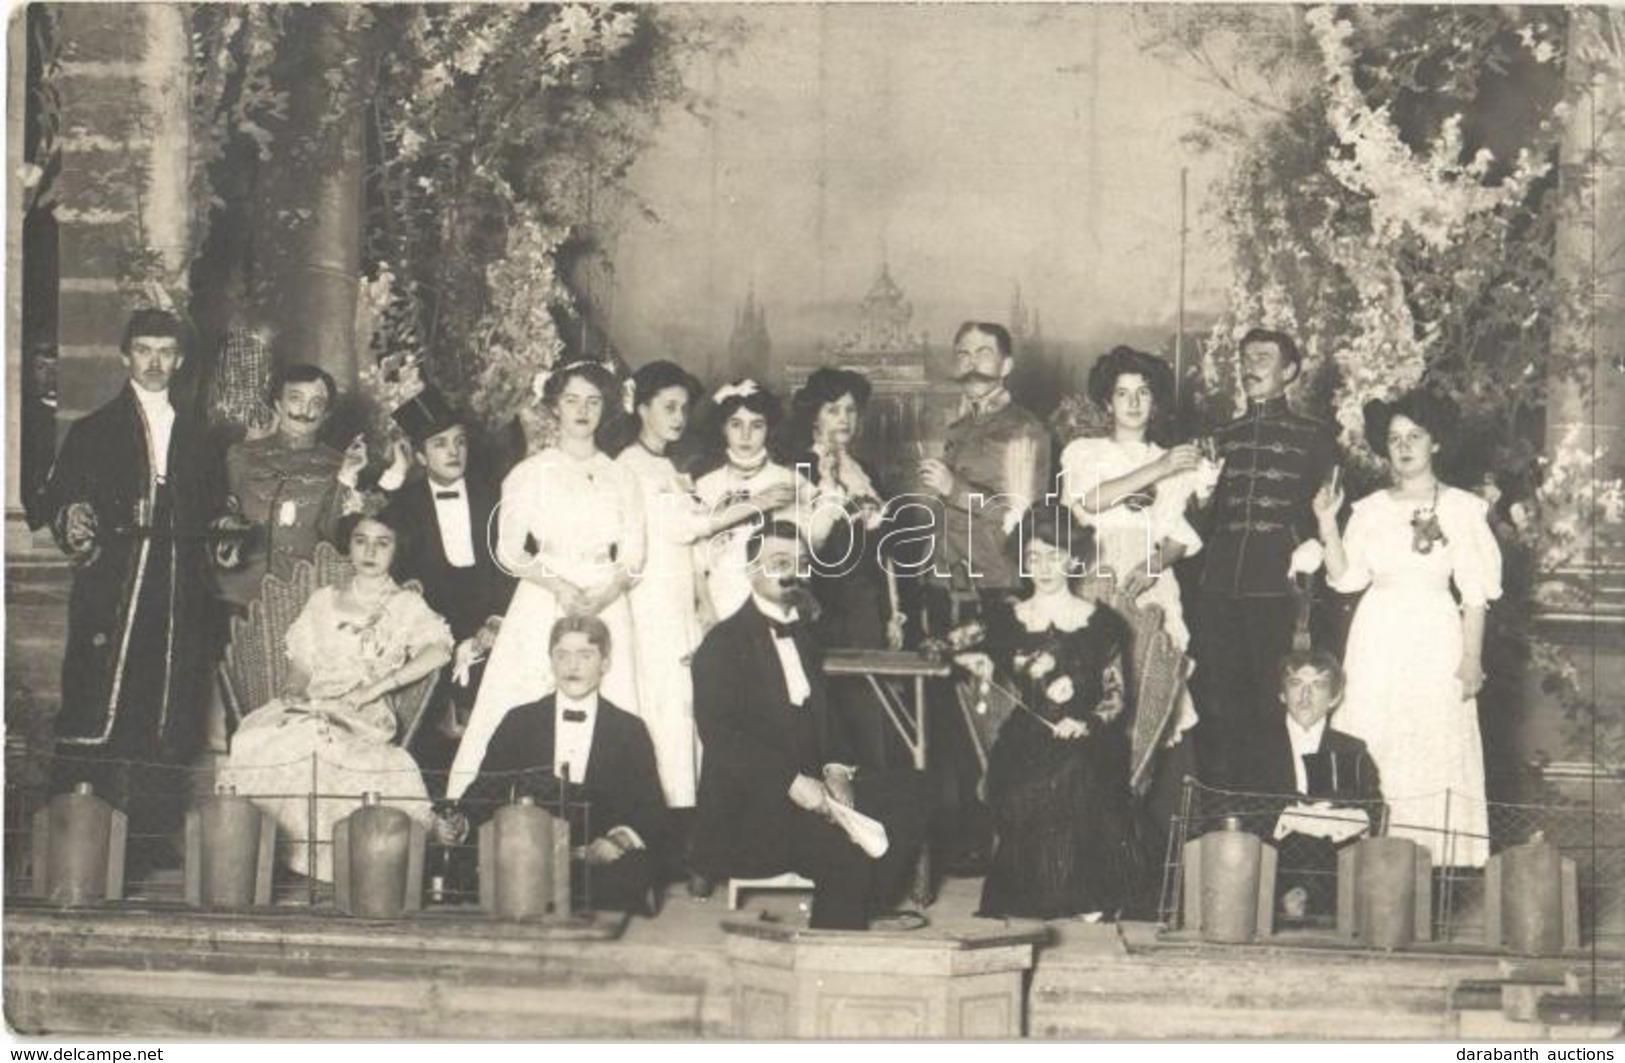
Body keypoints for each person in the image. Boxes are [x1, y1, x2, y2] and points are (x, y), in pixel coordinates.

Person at [30, 309, 228, 863]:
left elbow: (217, 513)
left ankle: (146, 842)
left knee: (165, 706)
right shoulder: (93, 430)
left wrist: (224, 532)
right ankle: (75, 841)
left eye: (166, 351)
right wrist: (76, 519)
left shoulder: (200, 438)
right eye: (144, 349)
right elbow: (62, 499)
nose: (156, 362)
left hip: (177, 592)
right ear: (125, 356)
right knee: (95, 699)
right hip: (111, 590)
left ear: (181, 360)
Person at [689, 521, 930, 930]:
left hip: (816, 792)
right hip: (755, 809)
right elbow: (722, 738)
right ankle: (835, 956)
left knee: (919, 791)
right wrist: (792, 782)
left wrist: (837, 769)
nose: (794, 573)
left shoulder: (804, 635)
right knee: (846, 857)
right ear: (751, 572)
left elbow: (829, 720)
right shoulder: (722, 644)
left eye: (802, 564)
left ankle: (864, 902)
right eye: (780, 562)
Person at [1313, 390, 1500, 868]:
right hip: (1377, 635)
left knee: (1431, 741)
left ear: (1435, 443)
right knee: (1376, 738)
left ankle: (1435, 865)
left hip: (1436, 635)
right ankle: (1370, 864)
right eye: (1394, 438)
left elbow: (1475, 593)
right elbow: (1346, 578)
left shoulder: (1462, 508)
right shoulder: (1370, 508)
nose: (1404, 446)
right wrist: (1327, 523)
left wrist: (1472, 660)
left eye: (1414, 436)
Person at [446, 360, 645, 800]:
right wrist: (559, 587)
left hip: (604, 598)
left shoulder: (621, 475)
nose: (582, 410)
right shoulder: (530, 473)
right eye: (572, 399)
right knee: (526, 691)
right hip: (545, 593)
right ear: (555, 406)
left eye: (593, 402)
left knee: (610, 695)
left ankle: (607, 811)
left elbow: (633, 556)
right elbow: (509, 551)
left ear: (605, 409)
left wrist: (606, 593)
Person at [220, 510, 452, 881]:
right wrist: (294, 687)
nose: (370, 551)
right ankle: (280, 854)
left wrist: (381, 686)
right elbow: (303, 661)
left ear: (397, 550)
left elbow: (438, 649)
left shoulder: (406, 605)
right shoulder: (323, 599)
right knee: (257, 738)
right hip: (312, 703)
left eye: (382, 542)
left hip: (363, 711)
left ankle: (334, 863)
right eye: (361, 540)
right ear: (350, 545)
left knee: (318, 737)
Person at [952, 504, 1136, 920]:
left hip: (1090, 735)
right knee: (1029, 780)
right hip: (1024, 737)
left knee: (1075, 769)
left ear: (1073, 559)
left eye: (1055, 556)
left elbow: (1116, 695)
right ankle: (1048, 897)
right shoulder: (1005, 617)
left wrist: (1085, 722)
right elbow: (939, 646)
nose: (1045, 567)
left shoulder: (1103, 623)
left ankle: (1081, 895)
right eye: (1034, 557)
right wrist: (968, 661)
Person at [616, 362, 780, 833]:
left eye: (684, 408)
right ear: (640, 408)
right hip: (650, 602)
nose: (678, 417)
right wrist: (755, 505)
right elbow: (682, 527)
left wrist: (704, 604)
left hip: (678, 600)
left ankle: (690, 827)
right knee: (663, 708)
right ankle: (658, 827)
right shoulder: (630, 466)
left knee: (689, 710)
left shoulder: (667, 466)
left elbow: (690, 548)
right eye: (668, 407)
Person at [915, 321, 1052, 873]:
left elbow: (1022, 521)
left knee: (998, 727)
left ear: (1008, 364)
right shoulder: (955, 429)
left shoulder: (1024, 431)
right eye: (963, 351)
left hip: (996, 593)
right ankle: (965, 849)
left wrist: (955, 490)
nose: (972, 362)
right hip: (943, 592)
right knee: (947, 731)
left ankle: (1014, 852)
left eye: (985, 353)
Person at [434, 616, 668, 915]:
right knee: (465, 868)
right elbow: (486, 789)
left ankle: (553, 891)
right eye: (562, 655)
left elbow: (650, 807)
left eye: (586, 655)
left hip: (593, 851)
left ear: (605, 664)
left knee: (631, 871)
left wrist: (618, 839)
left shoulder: (629, 729)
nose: (573, 666)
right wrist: (461, 823)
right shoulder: (519, 721)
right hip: (528, 845)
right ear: (551, 662)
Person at [1193, 328, 1336, 790]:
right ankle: (1229, 813)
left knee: (1273, 704)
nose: (1250, 365)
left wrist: (1310, 548)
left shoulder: (1313, 436)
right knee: (1219, 703)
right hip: (1218, 588)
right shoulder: (1221, 436)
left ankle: (1275, 807)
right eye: (1246, 357)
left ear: (1289, 371)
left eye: (1263, 357)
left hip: (1278, 588)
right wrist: (1203, 495)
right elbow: (1200, 524)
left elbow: (1331, 512)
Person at [1061, 346, 1213, 746]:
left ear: (1155, 401)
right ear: (1107, 402)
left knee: (1153, 691)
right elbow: (1092, 500)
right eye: (1122, 393)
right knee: (1097, 688)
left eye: (1142, 392)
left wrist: (1153, 566)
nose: (1132, 402)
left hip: (1150, 583)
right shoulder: (1084, 452)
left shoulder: (1175, 460)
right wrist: (1159, 469)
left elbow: (1181, 533)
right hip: (1096, 575)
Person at [379, 385, 515, 792]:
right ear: (420, 455)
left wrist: (495, 620)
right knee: (427, 735)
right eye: (439, 445)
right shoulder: (404, 505)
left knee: (492, 728)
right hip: (429, 636)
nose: (453, 452)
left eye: (459, 442)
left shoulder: (493, 498)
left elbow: (511, 564)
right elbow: (365, 540)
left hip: (487, 626)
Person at [785, 366, 908, 766]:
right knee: (824, 716)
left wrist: (892, 613)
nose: (844, 419)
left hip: (863, 609)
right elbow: (797, 544)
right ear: (815, 416)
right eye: (834, 409)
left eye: (851, 410)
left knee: (869, 714)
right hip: (818, 606)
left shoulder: (865, 473)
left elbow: (883, 550)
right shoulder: (798, 468)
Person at [215, 363, 370, 610]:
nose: (305, 411)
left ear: (326, 413)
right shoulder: (241, 455)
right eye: (296, 399)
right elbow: (218, 514)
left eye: (316, 403)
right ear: (278, 404)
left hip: (301, 598)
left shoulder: (339, 465)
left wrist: (347, 476)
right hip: (235, 594)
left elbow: (336, 536)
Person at [1245, 650, 1384, 920]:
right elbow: (1244, 808)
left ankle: (1311, 901)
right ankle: (1285, 896)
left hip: (1331, 869)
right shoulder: (1257, 747)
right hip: (1271, 861)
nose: (1305, 696)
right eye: (1296, 684)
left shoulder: (1349, 749)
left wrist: (1335, 816)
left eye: (1318, 686)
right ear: (1282, 694)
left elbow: (1373, 810)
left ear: (1334, 698)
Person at [692, 380, 830, 623]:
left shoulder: (790, 480)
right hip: (723, 599)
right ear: (723, 428)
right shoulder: (706, 485)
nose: (746, 435)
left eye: (756, 425)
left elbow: (817, 537)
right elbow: (696, 561)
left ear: (769, 429)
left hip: (778, 600)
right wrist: (705, 608)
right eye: (736, 425)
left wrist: (829, 480)